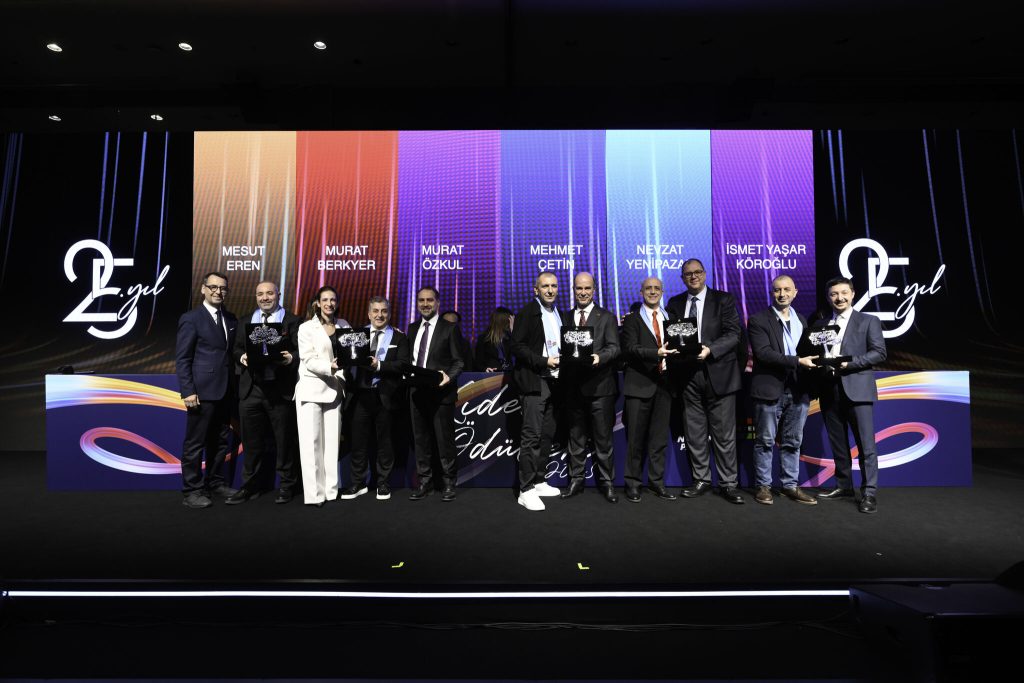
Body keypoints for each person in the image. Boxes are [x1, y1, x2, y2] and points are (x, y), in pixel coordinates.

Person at [666, 259, 744, 504]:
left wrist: (710, 349)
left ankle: (729, 484)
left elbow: (734, 334)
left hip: (719, 373)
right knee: (695, 432)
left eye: (697, 272)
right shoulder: (675, 303)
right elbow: (671, 335)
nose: (693, 277)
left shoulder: (724, 300)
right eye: (688, 274)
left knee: (724, 435)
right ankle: (701, 479)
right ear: (682, 278)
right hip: (688, 376)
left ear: (705, 274)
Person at [814, 276, 887, 514]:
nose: (839, 298)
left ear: (853, 293)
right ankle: (844, 486)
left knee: (866, 446)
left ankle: (869, 493)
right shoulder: (821, 324)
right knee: (838, 444)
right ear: (829, 297)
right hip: (829, 390)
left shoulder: (869, 321)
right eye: (834, 294)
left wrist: (850, 364)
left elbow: (879, 353)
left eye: (844, 292)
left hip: (858, 390)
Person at [228, 280, 302, 505]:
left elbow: (302, 350)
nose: (265, 298)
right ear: (256, 296)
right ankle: (250, 486)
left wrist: (291, 358)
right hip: (251, 390)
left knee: (284, 441)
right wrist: (242, 357)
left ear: (278, 294)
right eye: (260, 294)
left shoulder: (293, 321)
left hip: (280, 391)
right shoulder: (245, 321)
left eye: (269, 293)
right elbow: (236, 349)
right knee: (251, 443)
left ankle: (287, 487)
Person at [747, 275, 818, 506]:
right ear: (772, 293)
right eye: (777, 290)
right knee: (765, 441)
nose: (782, 294)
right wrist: (798, 361)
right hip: (769, 389)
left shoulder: (802, 320)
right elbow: (764, 353)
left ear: (795, 292)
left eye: (787, 289)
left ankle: (789, 486)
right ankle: (764, 487)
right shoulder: (759, 320)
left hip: (798, 390)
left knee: (793, 441)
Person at [175, 271, 238, 509]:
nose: (218, 291)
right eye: (213, 287)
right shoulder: (191, 319)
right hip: (200, 393)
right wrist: (188, 391)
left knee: (220, 442)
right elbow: (182, 359)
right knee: (195, 443)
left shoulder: (231, 319)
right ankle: (191, 490)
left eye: (222, 288)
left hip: (224, 391)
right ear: (203, 289)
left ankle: (215, 483)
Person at [340, 296, 410, 501]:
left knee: (385, 442)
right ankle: (358, 483)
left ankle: (383, 484)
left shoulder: (399, 337)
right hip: (360, 395)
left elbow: (403, 364)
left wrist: (378, 366)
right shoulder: (356, 335)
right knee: (358, 442)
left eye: (384, 311)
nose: (380, 315)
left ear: (389, 313)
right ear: (369, 314)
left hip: (385, 395)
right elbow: (346, 359)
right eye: (376, 311)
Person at [559, 272, 621, 504]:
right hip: (572, 388)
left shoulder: (606, 317)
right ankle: (576, 480)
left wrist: (598, 357)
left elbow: (615, 348)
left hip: (600, 388)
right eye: (578, 289)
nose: (583, 293)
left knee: (603, 439)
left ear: (594, 290)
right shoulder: (564, 317)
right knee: (575, 438)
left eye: (587, 288)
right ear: (573, 290)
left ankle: (607, 483)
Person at [620, 277, 679, 502]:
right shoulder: (632, 320)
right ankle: (633, 483)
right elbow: (629, 349)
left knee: (659, 439)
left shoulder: (671, 319)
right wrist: (656, 353)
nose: (652, 292)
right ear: (641, 291)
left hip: (665, 386)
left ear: (662, 291)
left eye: (656, 288)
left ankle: (657, 483)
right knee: (635, 439)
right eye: (648, 288)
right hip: (639, 385)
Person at [510, 271, 566, 511]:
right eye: (545, 286)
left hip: (556, 382)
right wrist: (544, 361)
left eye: (554, 286)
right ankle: (526, 489)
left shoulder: (558, 314)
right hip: (535, 381)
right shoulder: (527, 313)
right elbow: (516, 346)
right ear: (536, 290)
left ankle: (539, 479)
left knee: (547, 434)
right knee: (532, 436)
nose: (550, 290)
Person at [294, 286, 350, 507]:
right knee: (311, 444)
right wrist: (331, 366)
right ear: (317, 302)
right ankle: (314, 495)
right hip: (311, 390)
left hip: (335, 389)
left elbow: (352, 352)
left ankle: (330, 491)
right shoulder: (306, 328)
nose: (329, 303)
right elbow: (307, 359)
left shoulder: (344, 325)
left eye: (333, 299)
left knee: (332, 445)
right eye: (325, 300)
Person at [407, 286, 465, 501]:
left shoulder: (449, 328)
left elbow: (459, 361)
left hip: (442, 394)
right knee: (421, 441)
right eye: (421, 300)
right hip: (417, 393)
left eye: (429, 300)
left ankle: (449, 483)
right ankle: (425, 482)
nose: (425, 304)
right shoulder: (412, 329)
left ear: (437, 303)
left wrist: (448, 377)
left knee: (444, 441)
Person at [474, 307, 515, 372]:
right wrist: (485, 369)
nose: (512, 323)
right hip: (492, 376)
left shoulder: (509, 337)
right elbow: (478, 362)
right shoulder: (484, 338)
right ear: (504, 321)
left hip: (509, 374)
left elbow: (518, 352)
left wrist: (513, 332)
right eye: (511, 321)